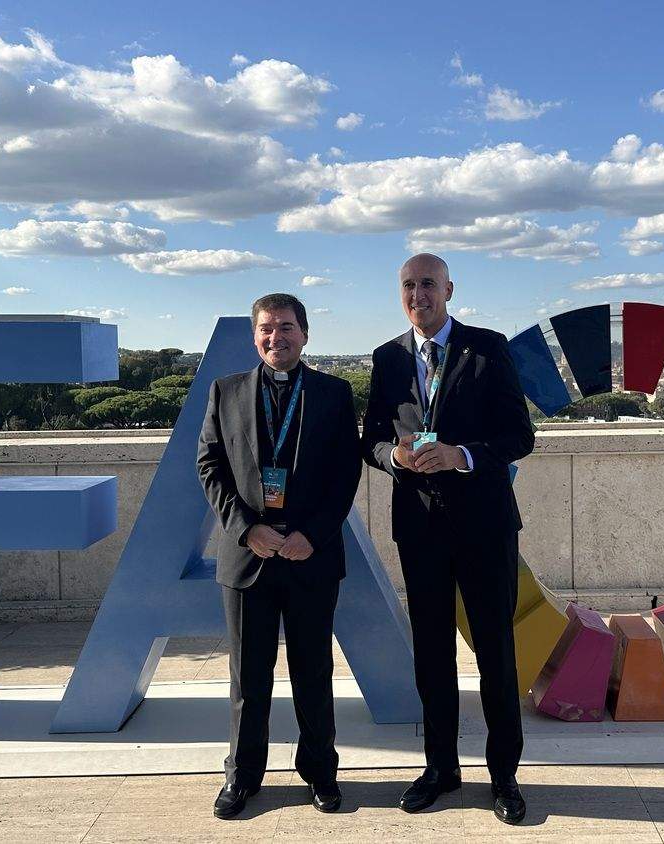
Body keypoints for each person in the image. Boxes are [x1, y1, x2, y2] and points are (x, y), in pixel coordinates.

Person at [360, 253, 535, 824]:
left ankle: (503, 775)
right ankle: (440, 768)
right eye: (408, 285)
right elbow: (371, 440)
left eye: (428, 284)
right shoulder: (387, 358)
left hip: (484, 527)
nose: (418, 294)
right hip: (420, 528)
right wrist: (395, 456)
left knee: (495, 652)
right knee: (431, 655)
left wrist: (461, 455)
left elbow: (519, 436)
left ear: (449, 290)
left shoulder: (487, 348)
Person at [197, 293, 361, 818]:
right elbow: (209, 465)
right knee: (249, 676)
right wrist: (248, 531)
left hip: (310, 554)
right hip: (249, 558)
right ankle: (242, 777)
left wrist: (309, 535)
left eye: (287, 327)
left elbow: (345, 474)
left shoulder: (335, 394)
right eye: (267, 328)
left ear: (305, 334)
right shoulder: (225, 391)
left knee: (313, 671)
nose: (277, 337)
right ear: (255, 335)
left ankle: (321, 774)